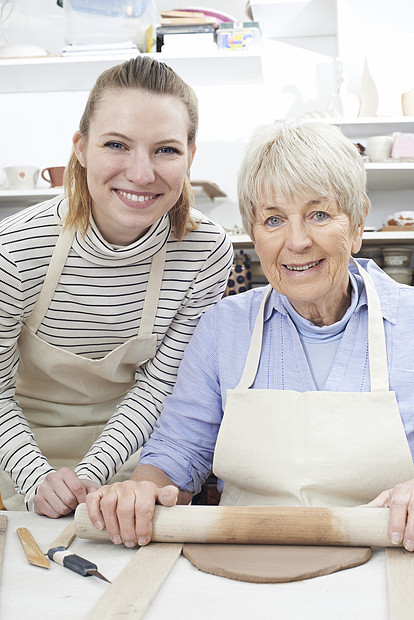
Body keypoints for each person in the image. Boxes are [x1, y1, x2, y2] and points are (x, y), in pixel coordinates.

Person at [86, 119, 414, 552]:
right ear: (254, 235)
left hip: (387, 563)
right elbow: (178, 451)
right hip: (246, 565)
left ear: (356, 225)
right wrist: (142, 490)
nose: (296, 241)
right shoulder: (223, 328)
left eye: (318, 214)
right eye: (274, 219)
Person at [0, 55, 233, 515]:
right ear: (81, 149)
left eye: (166, 150)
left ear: (190, 157)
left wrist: (92, 479)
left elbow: (158, 389)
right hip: (19, 455)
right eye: (116, 145)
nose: (141, 174)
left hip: (133, 463)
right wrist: (37, 479)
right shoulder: (17, 249)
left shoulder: (204, 253)